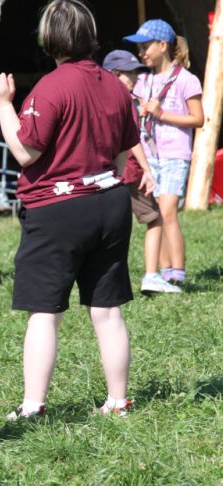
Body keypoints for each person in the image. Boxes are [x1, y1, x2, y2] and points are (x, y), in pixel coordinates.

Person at [0, 0, 154, 418]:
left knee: (44, 312)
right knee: (107, 310)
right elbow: (120, 158)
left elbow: (25, 152)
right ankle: (118, 401)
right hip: (110, 203)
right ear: (90, 36)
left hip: (57, 208)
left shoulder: (51, 87)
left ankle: (33, 407)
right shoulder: (116, 86)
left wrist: (3, 104)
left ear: (48, 39)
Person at [124, 20, 204, 286]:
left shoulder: (186, 80)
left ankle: (178, 272)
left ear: (162, 45)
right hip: (149, 157)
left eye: (145, 47)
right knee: (157, 214)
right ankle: (164, 270)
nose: (141, 53)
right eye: (138, 48)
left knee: (168, 211)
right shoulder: (142, 80)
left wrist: (162, 114)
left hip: (175, 155)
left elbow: (198, 119)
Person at [102, 50, 181, 294]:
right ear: (115, 74)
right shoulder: (125, 99)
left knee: (109, 227)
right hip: (130, 171)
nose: (136, 78)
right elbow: (132, 139)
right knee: (154, 218)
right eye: (131, 73)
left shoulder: (99, 99)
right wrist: (146, 169)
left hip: (105, 170)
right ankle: (151, 276)